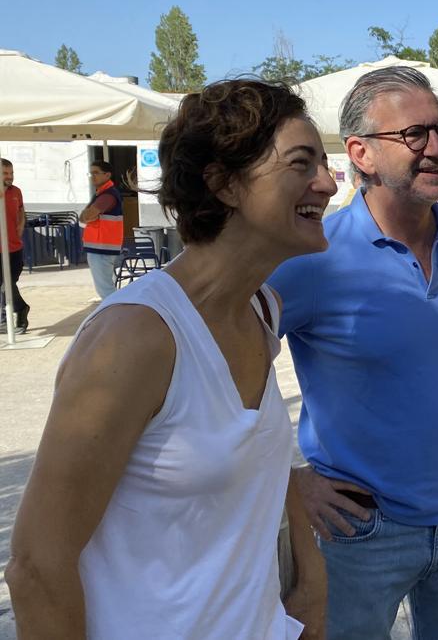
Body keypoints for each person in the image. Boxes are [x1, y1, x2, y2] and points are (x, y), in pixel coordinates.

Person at [6, 79, 335, 639]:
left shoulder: (262, 308)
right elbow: (37, 567)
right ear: (224, 184)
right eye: (301, 164)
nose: (327, 184)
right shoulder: (135, 337)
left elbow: (264, 460)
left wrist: (311, 583)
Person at [268, 65, 438, 640]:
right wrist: (291, 481)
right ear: (361, 152)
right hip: (358, 531)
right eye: (414, 135)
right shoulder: (313, 256)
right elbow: (231, 370)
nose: (437, 148)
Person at [80, 160, 124, 300]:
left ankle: (118, 317)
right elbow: (84, 217)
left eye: (96, 173)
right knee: (107, 289)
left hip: (102, 249)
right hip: (102, 248)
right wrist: (88, 215)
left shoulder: (107, 195)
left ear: (107, 175)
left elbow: (86, 216)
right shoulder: (102, 194)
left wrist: (88, 215)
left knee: (105, 291)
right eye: (90, 173)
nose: (92, 176)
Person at [1, 158, 29, 333]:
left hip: (14, 248)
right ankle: (11, 315)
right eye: (5, 173)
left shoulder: (16, 191)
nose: (10, 176)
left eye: (11, 173)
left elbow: (21, 211)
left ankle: (15, 312)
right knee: (4, 285)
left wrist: (20, 225)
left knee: (8, 284)